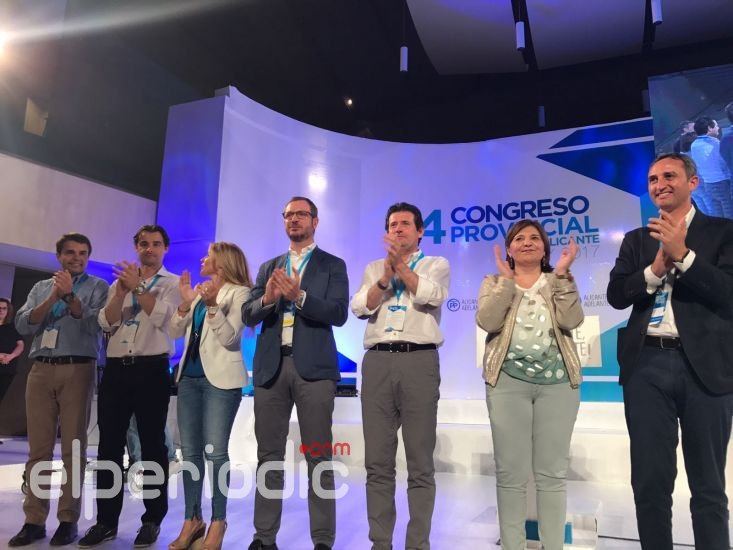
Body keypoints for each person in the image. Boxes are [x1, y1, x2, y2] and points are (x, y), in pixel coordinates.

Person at [607, 153, 733, 550]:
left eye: (669, 176)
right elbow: (616, 295)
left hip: (706, 369)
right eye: (652, 179)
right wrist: (654, 270)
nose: (659, 184)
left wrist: (684, 256)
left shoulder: (724, 232)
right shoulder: (637, 240)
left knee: (708, 485)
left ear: (692, 182)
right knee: (649, 481)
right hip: (646, 366)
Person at [242, 196, 348, 550]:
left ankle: (322, 540)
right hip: (271, 369)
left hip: (314, 370)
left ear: (315, 221)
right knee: (268, 456)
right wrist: (269, 298)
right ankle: (264, 537)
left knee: (318, 455)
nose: (294, 220)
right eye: (288, 215)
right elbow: (248, 314)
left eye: (301, 214)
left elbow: (338, 313)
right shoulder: (269, 266)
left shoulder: (332, 265)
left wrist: (299, 296)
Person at [476, 220, 583, 550]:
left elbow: (571, 320)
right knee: (511, 475)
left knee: (552, 475)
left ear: (545, 248)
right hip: (507, 385)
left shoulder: (558, 279)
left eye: (535, 238)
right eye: (519, 238)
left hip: (558, 386)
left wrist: (562, 275)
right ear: (509, 249)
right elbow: (488, 321)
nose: (527, 242)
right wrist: (507, 284)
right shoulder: (493, 281)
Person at [350, 202, 450, 550]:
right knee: (377, 463)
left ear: (420, 231)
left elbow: (431, 296)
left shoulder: (437, 264)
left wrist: (401, 268)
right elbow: (360, 306)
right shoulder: (373, 268)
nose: (398, 229)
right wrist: (384, 276)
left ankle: (417, 544)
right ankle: (380, 543)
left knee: (420, 463)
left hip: (419, 361)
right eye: (393, 225)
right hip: (378, 362)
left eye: (405, 224)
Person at [79, 224, 180, 548]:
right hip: (116, 369)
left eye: (155, 244)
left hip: (152, 369)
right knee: (108, 447)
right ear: (136, 247)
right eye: (143, 244)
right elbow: (106, 322)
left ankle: (152, 520)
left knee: (152, 446)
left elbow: (168, 322)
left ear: (165, 248)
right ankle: (106, 521)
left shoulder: (173, 284)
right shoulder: (117, 284)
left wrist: (138, 288)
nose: (149, 249)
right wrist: (122, 292)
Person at [9, 233, 109, 547]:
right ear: (59, 256)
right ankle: (34, 520)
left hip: (78, 368)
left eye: (82, 253)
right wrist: (54, 296)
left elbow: (96, 325)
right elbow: (23, 324)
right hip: (40, 368)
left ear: (88, 257)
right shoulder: (41, 287)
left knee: (73, 448)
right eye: (70, 252)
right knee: (38, 450)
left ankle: (68, 519)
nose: (76, 258)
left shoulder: (98, 287)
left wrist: (71, 298)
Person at [168, 242, 253, 550]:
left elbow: (230, 338)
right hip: (189, 379)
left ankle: (218, 521)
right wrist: (184, 304)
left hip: (221, 382)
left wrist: (213, 305)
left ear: (223, 262)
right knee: (190, 453)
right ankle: (192, 519)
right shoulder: (200, 293)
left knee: (215, 453)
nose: (203, 259)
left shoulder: (240, 293)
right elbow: (175, 332)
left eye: (209, 256)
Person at [689, 116, 732, 218]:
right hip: (722, 182)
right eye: (716, 126)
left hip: (708, 184)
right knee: (729, 213)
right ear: (709, 128)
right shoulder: (714, 143)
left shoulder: (694, 145)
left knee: (718, 216)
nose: (718, 128)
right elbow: (723, 162)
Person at [0, 298, 24, 407]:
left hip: (7, 371)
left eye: (4, 308)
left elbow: (21, 345)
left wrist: (11, 356)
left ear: (8, 310)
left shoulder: (12, 327)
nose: (1, 310)